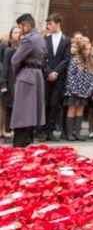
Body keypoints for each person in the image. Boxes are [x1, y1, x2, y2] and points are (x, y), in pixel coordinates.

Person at [10, 14, 46, 147]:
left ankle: (19, 144)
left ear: (26, 25)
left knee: (22, 112)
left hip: (26, 74)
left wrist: (17, 73)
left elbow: (15, 60)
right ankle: (27, 141)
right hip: (37, 74)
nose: (21, 30)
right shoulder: (40, 38)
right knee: (32, 111)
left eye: (21, 27)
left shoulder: (28, 39)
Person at [41, 13, 71, 142]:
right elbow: (42, 57)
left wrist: (56, 72)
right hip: (46, 76)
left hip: (58, 77)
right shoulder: (45, 39)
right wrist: (48, 72)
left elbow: (66, 59)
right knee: (45, 103)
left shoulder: (66, 40)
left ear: (57, 24)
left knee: (54, 104)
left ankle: (51, 130)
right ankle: (42, 130)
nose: (48, 26)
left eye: (51, 24)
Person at [63, 39, 93, 141]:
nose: (88, 51)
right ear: (81, 50)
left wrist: (88, 91)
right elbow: (70, 76)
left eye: (89, 49)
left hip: (85, 91)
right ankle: (69, 134)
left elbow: (92, 78)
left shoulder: (91, 61)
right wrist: (75, 89)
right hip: (74, 91)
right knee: (72, 110)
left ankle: (77, 133)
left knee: (80, 110)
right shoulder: (75, 60)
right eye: (86, 49)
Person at [0, 26, 22, 142]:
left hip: (22, 82)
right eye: (15, 32)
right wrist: (3, 84)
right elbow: (5, 69)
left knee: (18, 109)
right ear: (11, 34)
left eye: (19, 32)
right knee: (9, 108)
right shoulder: (8, 50)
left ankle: (17, 132)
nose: (17, 34)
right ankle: (8, 132)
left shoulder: (24, 49)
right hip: (10, 82)